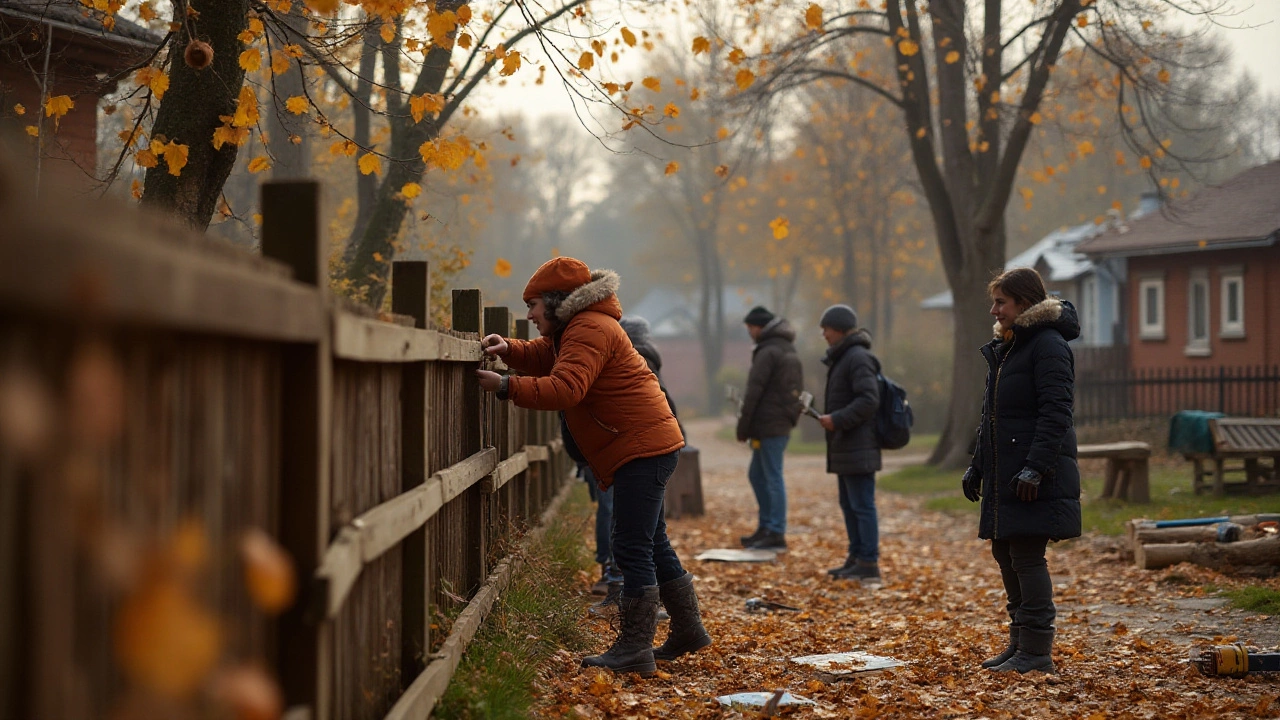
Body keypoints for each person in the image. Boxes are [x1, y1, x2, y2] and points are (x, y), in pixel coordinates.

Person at [475, 257, 711, 676]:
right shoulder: (578, 327)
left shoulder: (588, 327)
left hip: (642, 447)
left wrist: (507, 385)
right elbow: (547, 356)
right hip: (646, 444)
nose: (528, 315)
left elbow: (566, 387)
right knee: (652, 543)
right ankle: (689, 630)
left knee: (631, 545)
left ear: (556, 301)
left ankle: (635, 648)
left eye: (532, 305)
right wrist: (509, 350)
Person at [962, 267, 1081, 674]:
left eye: (1001, 302)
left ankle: (1036, 650)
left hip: (1032, 473)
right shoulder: (1010, 346)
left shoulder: (1048, 345)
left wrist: (1035, 468)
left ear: (1024, 304)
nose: (994, 310)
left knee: (1027, 556)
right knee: (1004, 550)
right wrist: (977, 466)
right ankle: (1019, 646)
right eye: (994, 302)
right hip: (1005, 470)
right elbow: (992, 416)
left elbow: (1056, 413)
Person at [590, 315, 682, 618]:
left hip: (635, 451)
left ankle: (635, 613)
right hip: (651, 449)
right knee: (652, 536)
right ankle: (685, 624)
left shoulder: (631, 358)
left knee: (631, 537)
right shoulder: (647, 358)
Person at [816, 304, 883, 582]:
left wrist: (838, 419)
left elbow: (869, 399)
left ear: (840, 330)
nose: (824, 334)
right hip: (846, 446)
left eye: (827, 329)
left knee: (862, 505)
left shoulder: (857, 358)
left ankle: (868, 562)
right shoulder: (844, 358)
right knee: (850, 504)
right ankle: (856, 557)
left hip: (858, 445)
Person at [736, 305, 804, 551]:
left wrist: (743, 426)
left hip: (769, 424)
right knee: (759, 475)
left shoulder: (768, 352)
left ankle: (775, 531)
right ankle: (766, 528)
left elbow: (754, 391)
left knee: (771, 477)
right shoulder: (786, 348)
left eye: (750, 328)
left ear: (760, 327)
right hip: (776, 422)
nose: (749, 332)